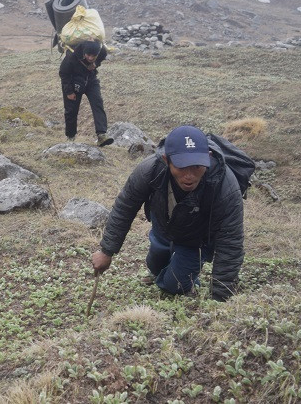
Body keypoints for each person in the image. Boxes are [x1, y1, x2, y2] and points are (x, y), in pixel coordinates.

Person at [90, 126, 245, 301]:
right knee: (155, 263)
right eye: (181, 166)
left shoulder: (225, 186)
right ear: (166, 159)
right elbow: (125, 207)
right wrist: (106, 251)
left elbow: (231, 240)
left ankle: (184, 277)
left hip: (196, 239)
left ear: (208, 157)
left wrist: (220, 294)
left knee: (174, 285)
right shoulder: (149, 170)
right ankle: (159, 271)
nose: (189, 175)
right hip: (164, 225)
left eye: (196, 166)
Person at [59, 39, 113, 147]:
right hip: (73, 83)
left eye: (94, 56)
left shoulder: (100, 50)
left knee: (98, 103)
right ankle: (70, 137)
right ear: (84, 51)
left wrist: (96, 63)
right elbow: (63, 73)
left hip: (91, 80)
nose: (91, 58)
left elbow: (103, 54)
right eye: (88, 55)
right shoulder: (71, 56)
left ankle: (102, 135)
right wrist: (69, 91)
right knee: (71, 111)